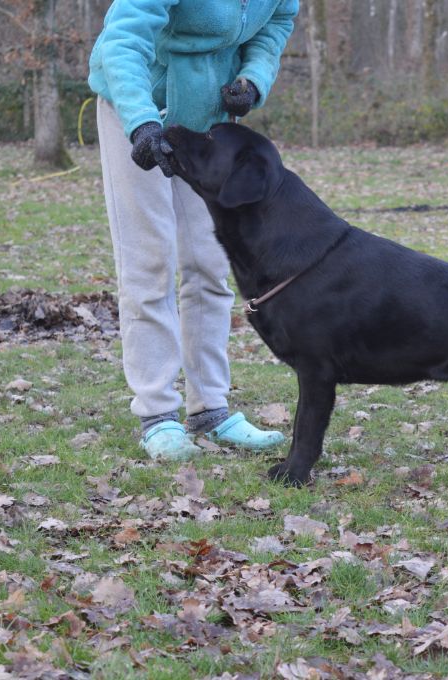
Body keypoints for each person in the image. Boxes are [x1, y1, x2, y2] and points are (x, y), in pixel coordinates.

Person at [88, 0, 299, 460]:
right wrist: (140, 122)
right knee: (151, 260)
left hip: (207, 123)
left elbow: (277, 24)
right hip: (140, 106)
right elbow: (124, 37)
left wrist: (253, 79)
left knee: (209, 263)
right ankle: (157, 414)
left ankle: (211, 410)